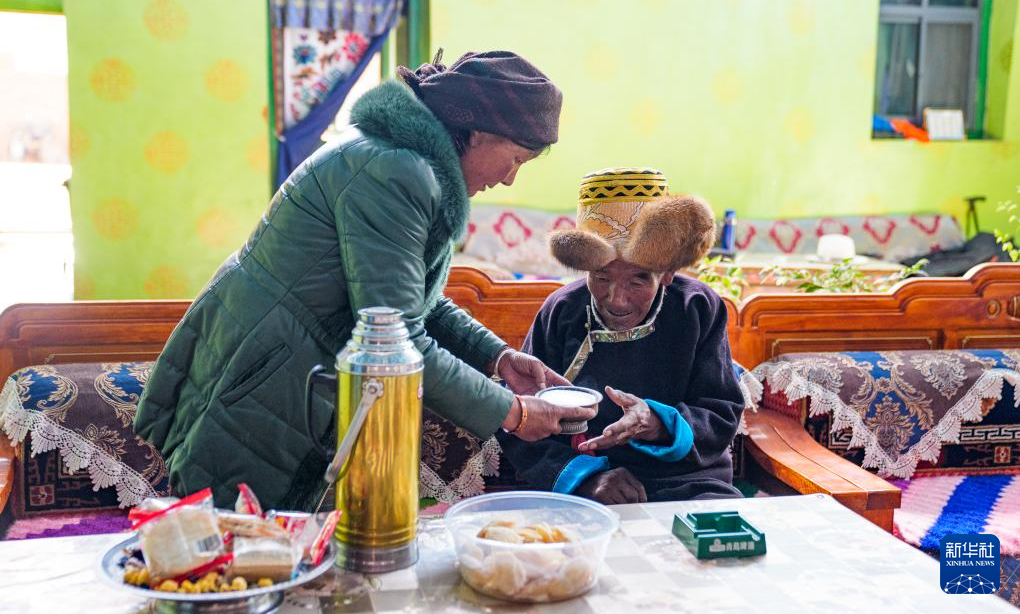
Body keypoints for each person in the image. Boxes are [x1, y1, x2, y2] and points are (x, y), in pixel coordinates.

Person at [134, 51, 596, 509]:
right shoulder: (395, 173)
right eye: (515, 158)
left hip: (275, 369)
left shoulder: (396, 160)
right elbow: (396, 339)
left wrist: (498, 358)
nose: (510, 180)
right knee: (236, 552)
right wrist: (512, 414)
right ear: (476, 131)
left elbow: (414, 300)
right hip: (265, 382)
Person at [497, 168, 745, 503]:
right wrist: (586, 477)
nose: (616, 298)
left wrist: (660, 423)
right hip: (583, 486)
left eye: (637, 280)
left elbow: (721, 410)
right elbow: (521, 421)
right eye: (601, 278)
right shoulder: (563, 310)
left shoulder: (697, 308)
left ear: (668, 272)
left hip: (688, 484)